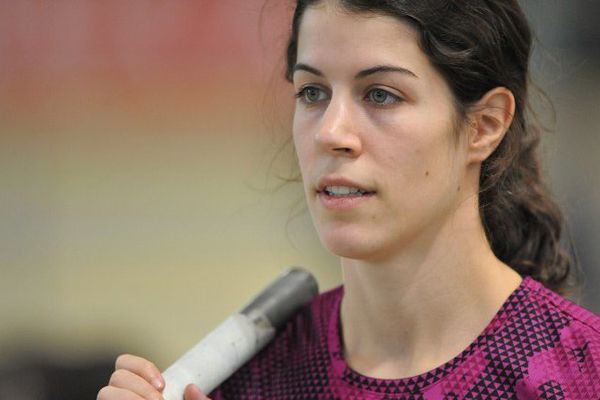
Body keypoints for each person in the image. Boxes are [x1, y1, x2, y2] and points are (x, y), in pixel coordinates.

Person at [97, 0, 600, 399]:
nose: (331, 133)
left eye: (381, 94)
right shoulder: (252, 380)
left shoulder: (580, 373)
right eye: (312, 92)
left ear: (484, 126)